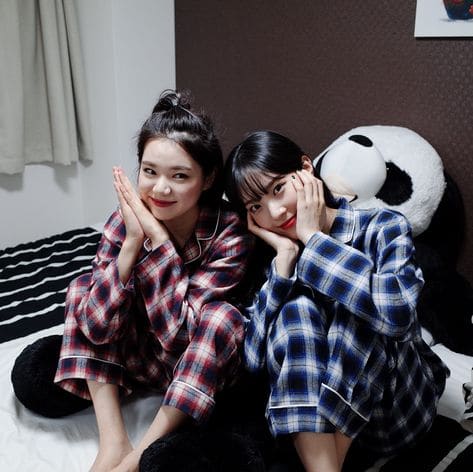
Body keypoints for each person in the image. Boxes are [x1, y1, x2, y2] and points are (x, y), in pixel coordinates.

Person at [13, 89, 254, 472]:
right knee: (84, 288)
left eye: (180, 176)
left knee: (223, 318)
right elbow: (95, 326)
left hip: (194, 368)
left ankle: (140, 455)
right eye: (150, 171)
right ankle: (114, 442)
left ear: (208, 178)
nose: (160, 189)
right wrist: (131, 246)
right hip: (138, 360)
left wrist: (158, 245)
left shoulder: (229, 233)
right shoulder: (123, 221)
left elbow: (182, 337)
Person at [223, 130, 449, 472]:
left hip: (397, 414)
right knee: (296, 311)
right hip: (321, 433)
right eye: (256, 207)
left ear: (306, 168)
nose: (275, 211)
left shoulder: (381, 226)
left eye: (278, 188)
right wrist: (284, 264)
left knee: (355, 310)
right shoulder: (277, 262)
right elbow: (252, 360)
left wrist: (314, 240)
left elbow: (397, 312)